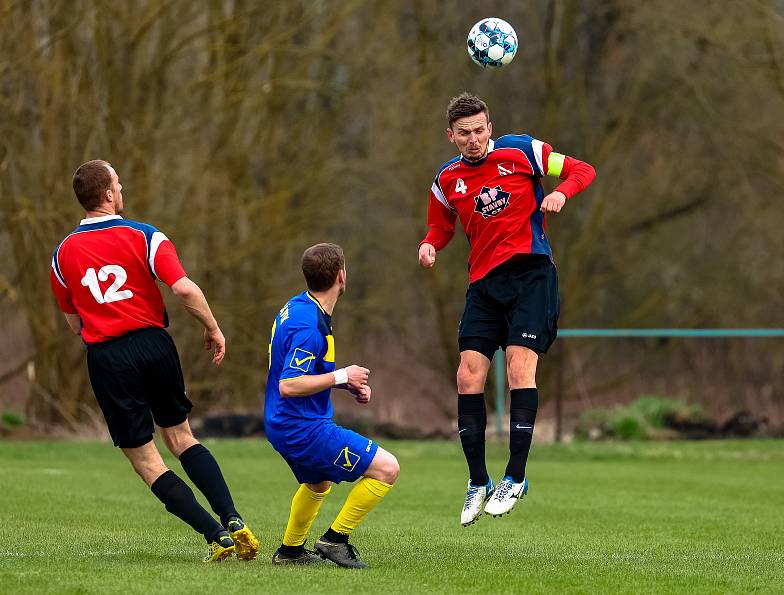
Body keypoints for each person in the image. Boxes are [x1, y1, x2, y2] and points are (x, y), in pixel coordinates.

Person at [50, 160, 260, 562]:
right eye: (118, 182)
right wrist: (212, 327)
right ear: (108, 194)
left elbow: (74, 322)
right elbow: (183, 288)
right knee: (182, 437)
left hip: (108, 356)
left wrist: (104, 329)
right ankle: (232, 517)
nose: (122, 186)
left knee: (146, 460)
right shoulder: (145, 235)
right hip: (154, 345)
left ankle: (216, 535)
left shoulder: (61, 255)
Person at [417, 93, 596, 525]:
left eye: (480, 130)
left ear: (490, 127)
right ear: (451, 136)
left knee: (519, 369)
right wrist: (429, 243)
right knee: (467, 374)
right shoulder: (446, 180)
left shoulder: (522, 152)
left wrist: (562, 194)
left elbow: (581, 169)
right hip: (483, 285)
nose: (474, 139)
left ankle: (515, 476)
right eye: (465, 133)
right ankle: (477, 481)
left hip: (532, 275)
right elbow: (440, 227)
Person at [264, 243, 400, 568]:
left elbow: (305, 370)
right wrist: (341, 374)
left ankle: (290, 551)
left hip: (285, 422)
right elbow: (289, 384)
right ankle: (335, 540)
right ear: (342, 276)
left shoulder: (299, 307)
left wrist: (346, 384)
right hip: (303, 428)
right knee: (387, 468)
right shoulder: (308, 326)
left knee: (318, 482)